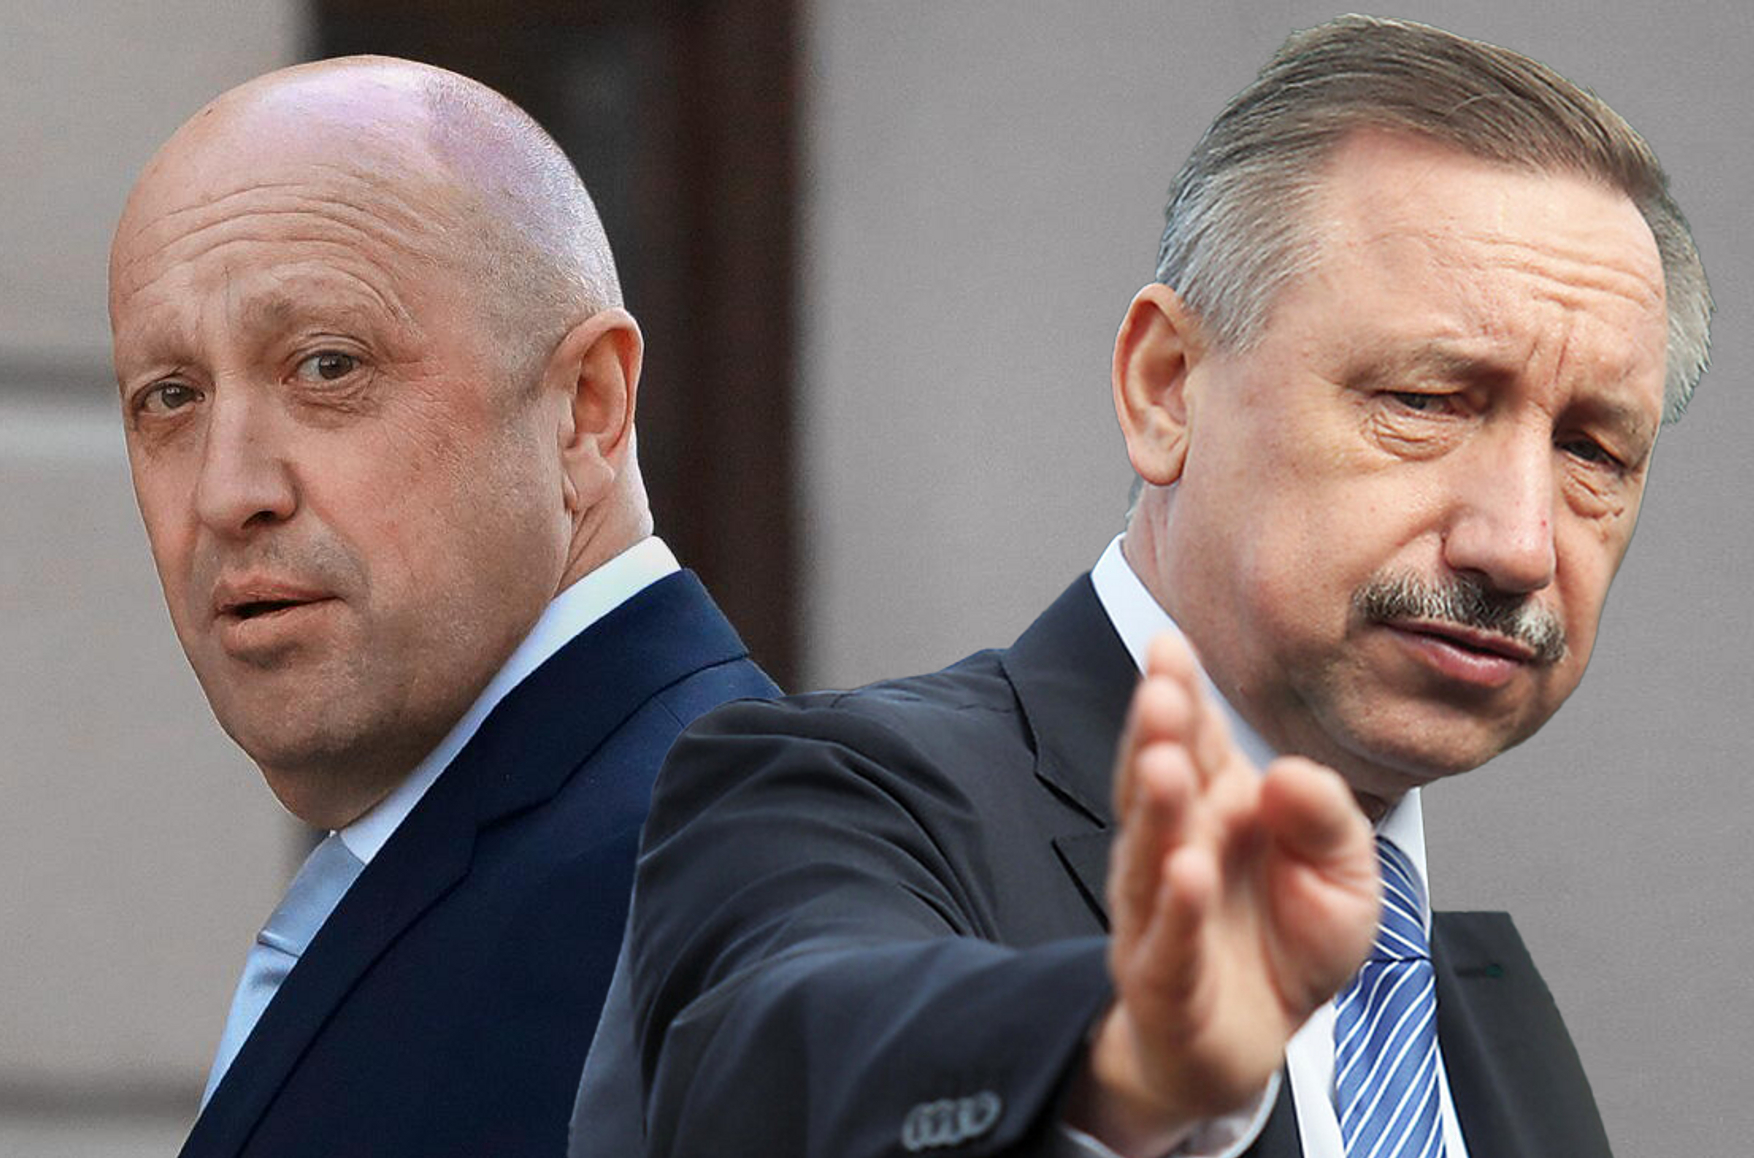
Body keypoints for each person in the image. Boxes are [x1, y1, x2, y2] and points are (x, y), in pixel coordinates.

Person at [577, 15, 1711, 1158]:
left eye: (1591, 450)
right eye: (1423, 401)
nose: (1517, 545)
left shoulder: (1474, 1012)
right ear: (1165, 388)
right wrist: (1123, 1068)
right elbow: (796, 1062)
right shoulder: (822, 798)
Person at [107, 56, 777, 1158]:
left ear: (587, 409)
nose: (228, 492)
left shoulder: (707, 894)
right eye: (169, 397)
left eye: (328, 367)